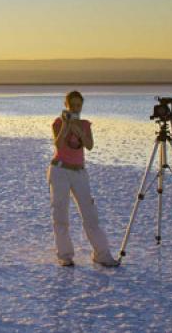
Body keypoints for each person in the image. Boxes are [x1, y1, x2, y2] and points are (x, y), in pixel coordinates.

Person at [47, 90, 119, 267]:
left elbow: (89, 146)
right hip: (60, 171)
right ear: (66, 105)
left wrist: (77, 128)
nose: (76, 108)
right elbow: (58, 144)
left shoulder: (85, 124)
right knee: (60, 213)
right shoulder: (58, 123)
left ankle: (101, 254)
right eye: (72, 105)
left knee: (90, 214)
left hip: (79, 173)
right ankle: (65, 255)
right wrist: (66, 125)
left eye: (78, 105)